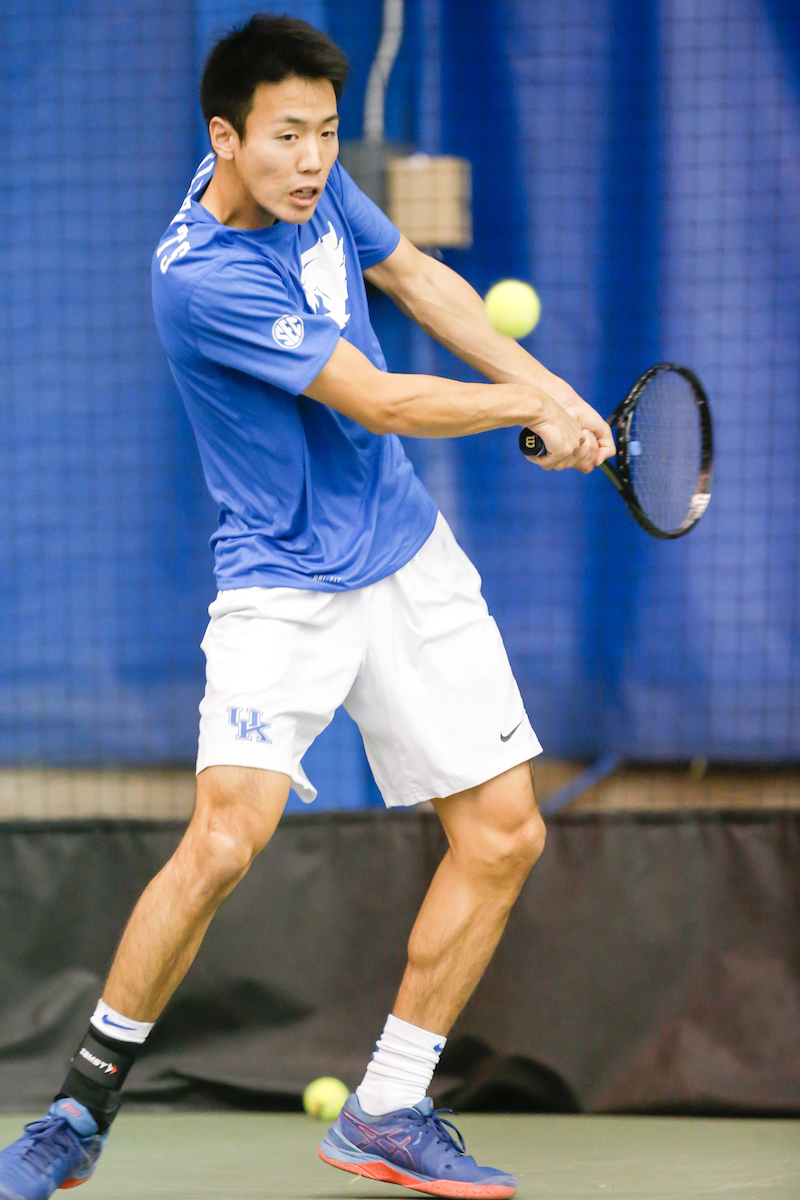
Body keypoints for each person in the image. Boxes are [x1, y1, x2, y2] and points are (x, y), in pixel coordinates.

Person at [0, 14, 613, 1200]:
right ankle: (79, 1108)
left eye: (326, 135)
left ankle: (388, 1105)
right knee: (225, 840)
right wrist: (518, 407)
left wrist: (549, 388)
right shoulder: (200, 275)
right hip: (280, 583)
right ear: (223, 137)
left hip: (402, 553)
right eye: (286, 138)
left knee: (503, 834)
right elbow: (376, 399)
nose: (312, 161)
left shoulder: (318, 191)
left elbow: (417, 275)